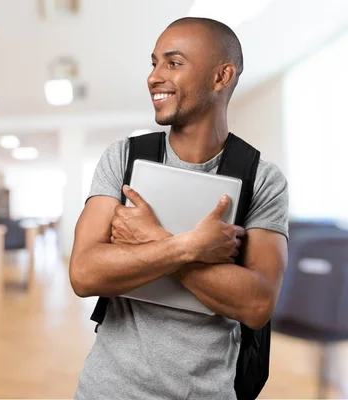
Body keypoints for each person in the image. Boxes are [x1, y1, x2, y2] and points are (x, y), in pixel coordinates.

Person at [70, 17, 289, 399]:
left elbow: (256, 304)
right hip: (106, 389)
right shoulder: (123, 159)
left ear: (222, 77)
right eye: (153, 63)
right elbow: (84, 273)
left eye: (173, 63)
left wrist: (150, 238)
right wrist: (189, 247)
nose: (154, 76)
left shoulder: (263, 180)